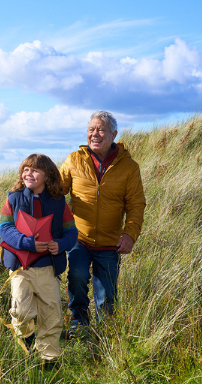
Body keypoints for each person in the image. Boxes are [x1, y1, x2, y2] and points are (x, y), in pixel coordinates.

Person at [60, 111, 146, 333]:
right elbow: (56, 192)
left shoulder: (129, 167)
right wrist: (27, 194)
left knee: (106, 296)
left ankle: (105, 333)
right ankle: (79, 325)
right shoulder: (73, 160)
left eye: (100, 129)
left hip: (110, 242)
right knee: (77, 277)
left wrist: (129, 235)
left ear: (113, 134)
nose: (94, 134)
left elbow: (136, 204)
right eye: (91, 129)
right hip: (79, 237)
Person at [0, 154, 78, 367]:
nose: (28, 174)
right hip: (20, 268)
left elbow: (71, 231)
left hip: (48, 268)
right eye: (25, 169)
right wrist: (26, 243)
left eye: (34, 170)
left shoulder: (59, 202)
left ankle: (49, 359)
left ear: (47, 175)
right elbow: (4, 228)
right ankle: (28, 338)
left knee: (51, 315)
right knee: (20, 312)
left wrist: (60, 245)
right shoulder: (13, 198)